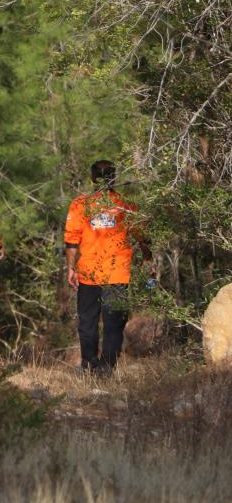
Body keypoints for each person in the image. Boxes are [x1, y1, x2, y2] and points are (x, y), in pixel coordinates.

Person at [64, 160, 151, 375]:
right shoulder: (125, 205)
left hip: (88, 273)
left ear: (93, 179)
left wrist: (71, 268)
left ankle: (88, 363)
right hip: (117, 273)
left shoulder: (80, 205)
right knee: (114, 323)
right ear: (114, 178)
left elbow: (71, 241)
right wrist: (148, 259)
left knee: (88, 321)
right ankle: (106, 367)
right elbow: (143, 237)